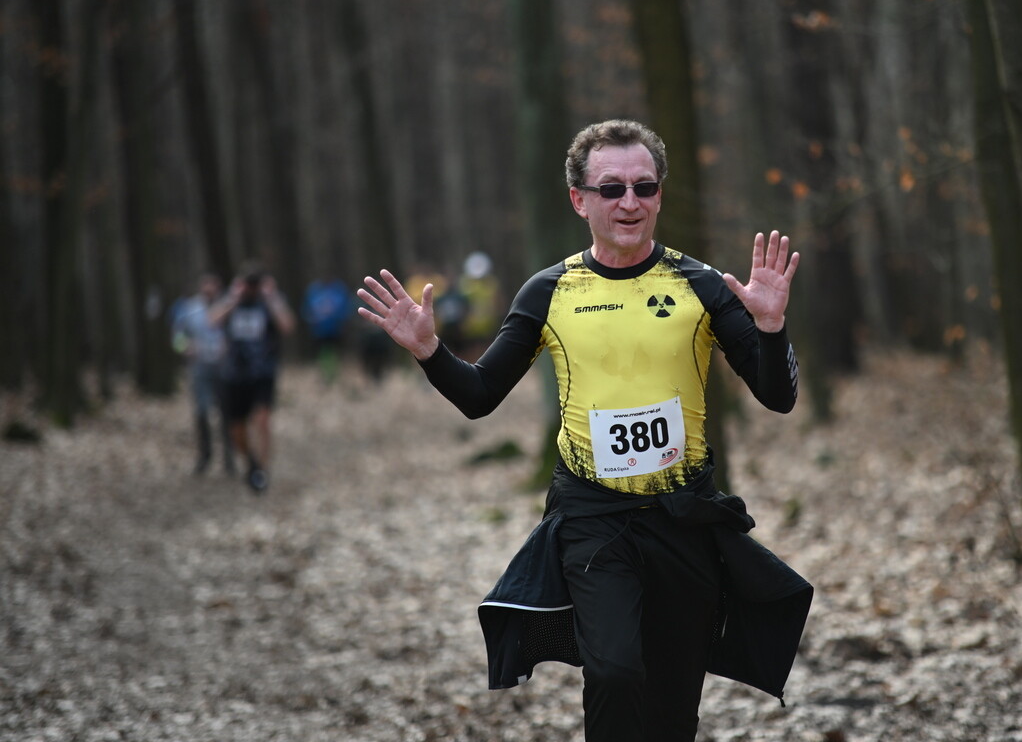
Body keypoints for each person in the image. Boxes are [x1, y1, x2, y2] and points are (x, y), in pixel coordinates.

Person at [358, 119, 813, 741]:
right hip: (593, 517)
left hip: (686, 517)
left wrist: (771, 326)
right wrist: (430, 351)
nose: (630, 202)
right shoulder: (549, 291)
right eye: (611, 188)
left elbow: (777, 396)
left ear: (659, 196)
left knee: (673, 707)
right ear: (579, 199)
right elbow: (481, 396)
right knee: (615, 671)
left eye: (644, 187)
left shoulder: (701, 285)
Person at [210, 261, 295, 493]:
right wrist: (233, 297)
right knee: (236, 429)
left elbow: (287, 326)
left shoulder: (268, 303)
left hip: (263, 372)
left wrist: (272, 297)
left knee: (262, 419)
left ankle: (262, 472)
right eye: (247, 285)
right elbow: (212, 320)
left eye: (254, 285)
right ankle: (252, 462)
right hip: (234, 374)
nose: (251, 289)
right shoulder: (232, 301)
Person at [171, 272, 233, 476]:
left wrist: (230, 348)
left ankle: (229, 459)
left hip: (223, 368)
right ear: (201, 287)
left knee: (226, 413)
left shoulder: (229, 307)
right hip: (199, 368)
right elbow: (177, 337)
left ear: (219, 288)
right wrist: (185, 347)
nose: (209, 290)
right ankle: (205, 456)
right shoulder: (189, 309)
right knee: (202, 413)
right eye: (206, 286)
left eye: (213, 286)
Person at [301, 274, 352, 383]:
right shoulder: (314, 290)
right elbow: (307, 311)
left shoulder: (339, 289)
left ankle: (335, 374)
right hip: (320, 330)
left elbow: (345, 309)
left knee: (336, 352)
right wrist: (315, 317)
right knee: (323, 352)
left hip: (335, 329)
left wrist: (336, 315)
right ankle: (325, 374)